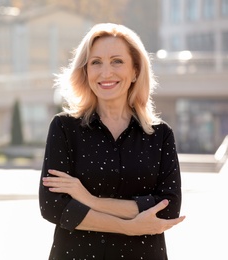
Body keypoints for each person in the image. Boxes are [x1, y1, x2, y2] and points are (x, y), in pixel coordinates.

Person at [39, 23, 185, 260]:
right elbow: (54, 207)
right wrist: (130, 226)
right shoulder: (64, 128)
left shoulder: (160, 135)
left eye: (117, 61)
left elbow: (168, 207)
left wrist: (88, 200)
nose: (106, 73)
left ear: (135, 70)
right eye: (96, 62)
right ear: (85, 71)